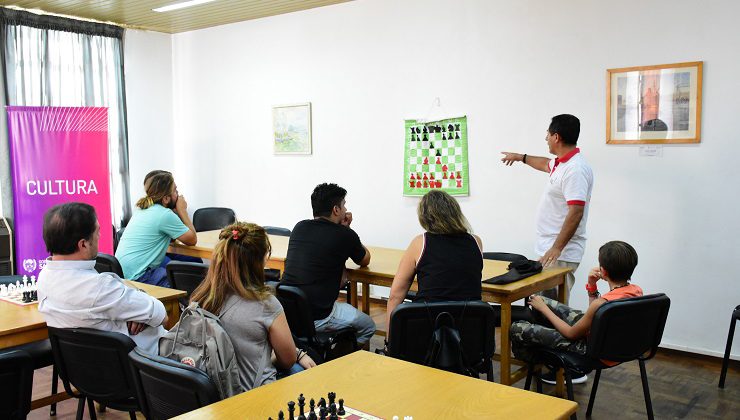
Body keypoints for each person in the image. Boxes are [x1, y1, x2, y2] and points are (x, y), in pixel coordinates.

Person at [189, 222, 316, 391]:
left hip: (215, 392)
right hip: (253, 396)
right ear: (257, 262)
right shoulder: (266, 304)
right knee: (302, 370)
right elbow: (287, 359)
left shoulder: (201, 298)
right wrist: (296, 354)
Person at [37, 202, 168, 355]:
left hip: (88, 371)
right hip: (146, 366)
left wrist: (134, 311)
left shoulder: (44, 278)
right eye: (97, 231)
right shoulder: (99, 288)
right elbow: (161, 314)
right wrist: (140, 312)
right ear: (83, 244)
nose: (99, 236)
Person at [510, 240, 643, 384]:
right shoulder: (636, 291)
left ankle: (538, 358)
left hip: (592, 352)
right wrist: (592, 286)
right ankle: (544, 347)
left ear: (603, 271)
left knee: (517, 327)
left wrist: (544, 309)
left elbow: (571, 334)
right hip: (615, 348)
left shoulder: (602, 303)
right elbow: (596, 317)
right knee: (541, 299)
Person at [501, 114, 593, 302]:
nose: (546, 139)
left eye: (548, 134)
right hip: (551, 249)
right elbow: (544, 164)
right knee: (543, 304)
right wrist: (521, 157)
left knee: (552, 308)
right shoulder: (562, 163)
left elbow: (576, 212)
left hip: (561, 252)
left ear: (556, 137)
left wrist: (556, 248)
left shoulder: (575, 170)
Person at [281, 183, 376, 347]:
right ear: (336, 210)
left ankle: (322, 345)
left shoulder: (299, 227)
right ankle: (342, 357)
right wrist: (347, 229)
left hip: (288, 313)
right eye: (344, 205)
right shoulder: (344, 235)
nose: (346, 209)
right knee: (368, 326)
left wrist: (344, 230)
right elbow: (365, 259)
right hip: (319, 315)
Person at [386, 190, 483, 332]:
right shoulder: (476, 241)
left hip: (428, 326)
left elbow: (395, 296)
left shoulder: (420, 243)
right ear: (455, 212)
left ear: (425, 217)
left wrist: (390, 342)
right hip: (469, 327)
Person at [115, 171, 197, 287]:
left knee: (179, 262)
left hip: (123, 276)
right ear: (166, 199)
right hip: (140, 278)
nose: (178, 195)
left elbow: (170, 238)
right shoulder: (164, 215)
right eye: (175, 191)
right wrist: (182, 210)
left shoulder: (142, 209)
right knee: (185, 279)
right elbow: (192, 240)